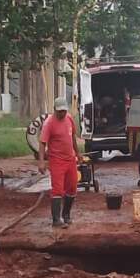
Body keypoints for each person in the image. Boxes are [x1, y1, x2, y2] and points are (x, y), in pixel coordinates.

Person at [38, 97, 81, 228]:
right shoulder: (49, 123)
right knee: (57, 189)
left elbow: (72, 136)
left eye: (63, 111)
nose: (62, 113)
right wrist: (41, 162)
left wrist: (77, 153)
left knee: (72, 188)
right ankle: (56, 219)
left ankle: (66, 214)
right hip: (56, 160)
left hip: (70, 159)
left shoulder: (69, 119)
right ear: (54, 110)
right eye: (59, 111)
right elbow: (42, 143)